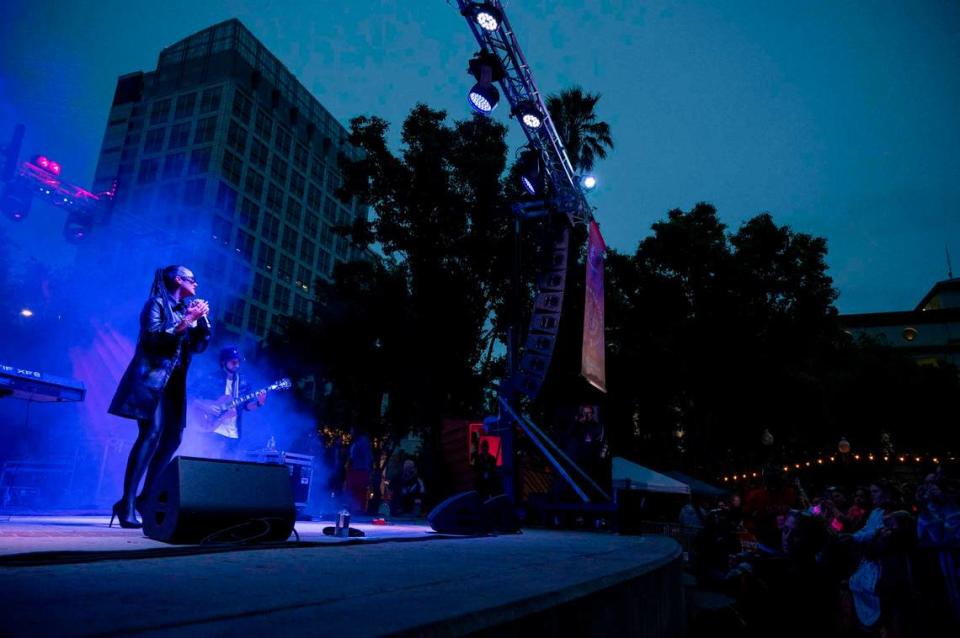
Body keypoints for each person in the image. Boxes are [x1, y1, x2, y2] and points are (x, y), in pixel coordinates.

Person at [108, 265, 211, 528]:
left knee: (173, 437)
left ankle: (146, 499)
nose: (196, 285)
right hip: (151, 381)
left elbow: (198, 346)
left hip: (174, 385)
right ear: (179, 280)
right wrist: (186, 320)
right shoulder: (155, 304)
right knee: (151, 434)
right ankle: (127, 504)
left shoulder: (185, 310)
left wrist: (200, 322)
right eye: (192, 280)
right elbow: (153, 339)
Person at [194, 346, 265, 459]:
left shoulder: (243, 382)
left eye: (238, 361)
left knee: (226, 467)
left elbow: (246, 406)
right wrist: (208, 407)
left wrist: (259, 403)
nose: (237, 364)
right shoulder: (210, 378)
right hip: (213, 429)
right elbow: (190, 395)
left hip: (233, 434)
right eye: (233, 361)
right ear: (223, 362)